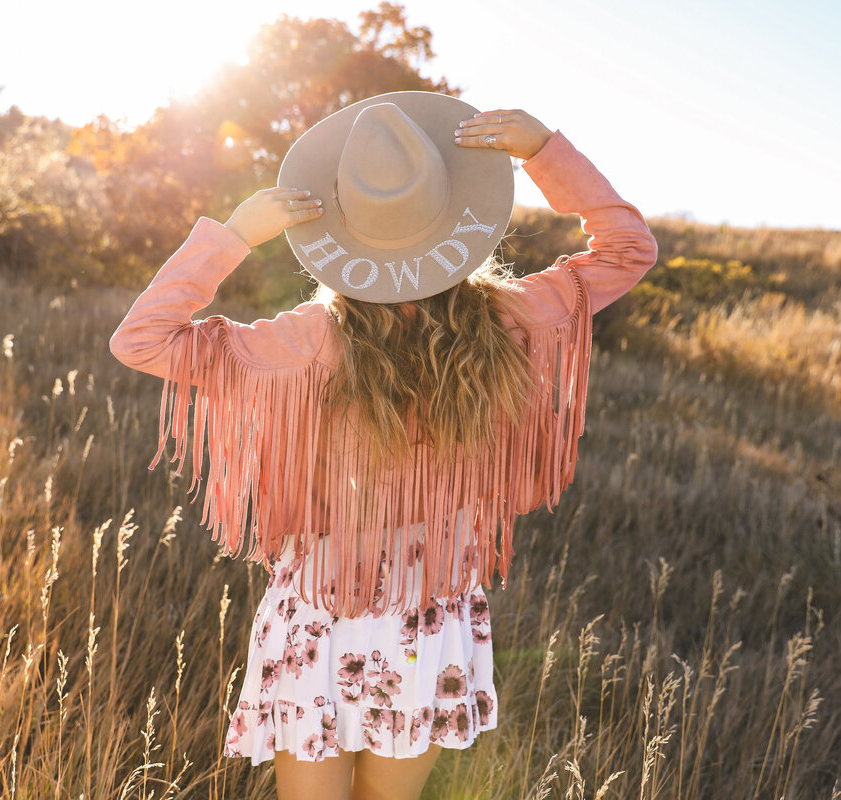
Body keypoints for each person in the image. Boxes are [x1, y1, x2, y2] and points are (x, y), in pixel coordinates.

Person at [109, 91, 657, 800]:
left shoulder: (306, 340)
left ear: (344, 232)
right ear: (455, 215)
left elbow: (140, 340)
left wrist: (236, 235)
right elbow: (628, 249)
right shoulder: (513, 319)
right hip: (430, 619)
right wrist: (545, 151)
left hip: (319, 614)